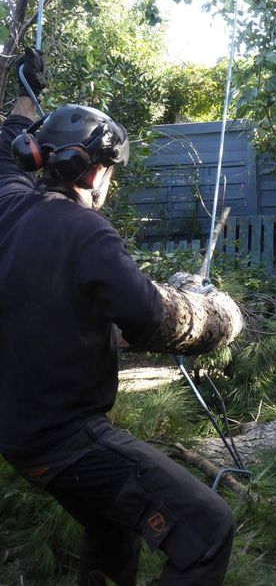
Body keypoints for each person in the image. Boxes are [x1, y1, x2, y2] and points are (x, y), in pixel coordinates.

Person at [0, 48, 236, 586]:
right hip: (63, 440)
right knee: (209, 530)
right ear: (94, 171)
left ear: (41, 157)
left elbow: (1, 151)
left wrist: (24, 93)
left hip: (18, 431)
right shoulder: (88, 233)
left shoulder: (9, 204)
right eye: (109, 169)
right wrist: (215, 314)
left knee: (113, 526)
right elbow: (151, 319)